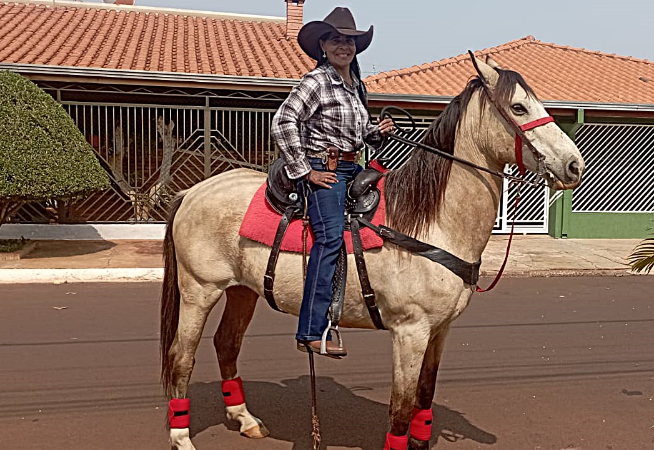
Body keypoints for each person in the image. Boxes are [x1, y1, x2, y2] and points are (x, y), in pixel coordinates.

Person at [271, 7, 395, 357]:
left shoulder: (357, 85)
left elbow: (356, 135)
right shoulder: (317, 81)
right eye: (336, 40)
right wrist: (304, 171)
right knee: (328, 240)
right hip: (322, 170)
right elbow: (283, 121)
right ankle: (311, 329)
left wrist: (377, 131)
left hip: (352, 166)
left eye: (350, 41)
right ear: (323, 45)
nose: (344, 46)